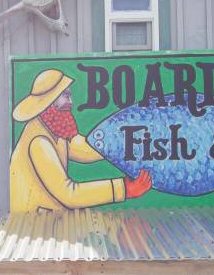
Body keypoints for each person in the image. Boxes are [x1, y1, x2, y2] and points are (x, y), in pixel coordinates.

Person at [10, 69, 153, 211]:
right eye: (65, 96)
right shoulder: (39, 142)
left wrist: (128, 143)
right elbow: (69, 195)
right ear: (50, 100)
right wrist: (124, 189)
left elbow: (86, 150)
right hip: (35, 221)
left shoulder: (53, 129)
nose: (70, 102)